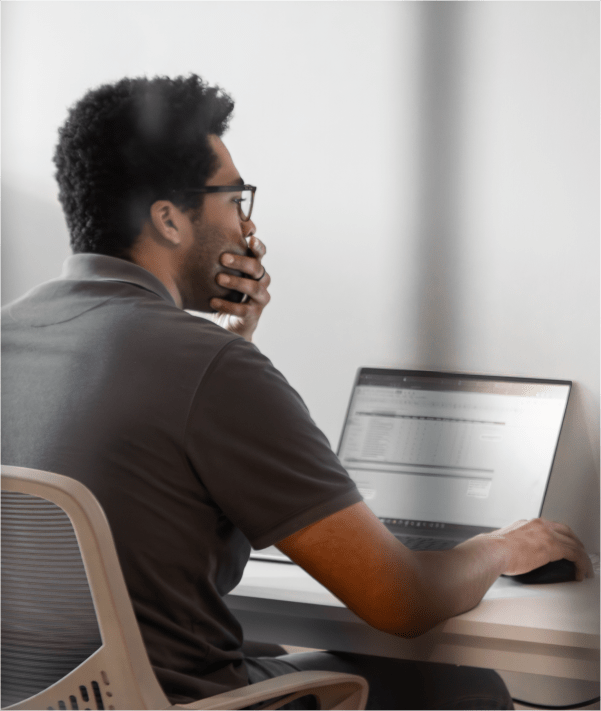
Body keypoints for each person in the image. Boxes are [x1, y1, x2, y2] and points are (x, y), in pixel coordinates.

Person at [1, 75, 592, 711]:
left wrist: (234, 343)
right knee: (467, 688)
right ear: (170, 219)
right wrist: (504, 545)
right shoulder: (210, 369)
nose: (247, 224)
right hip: (178, 702)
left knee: (277, 652)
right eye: (234, 198)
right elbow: (403, 601)